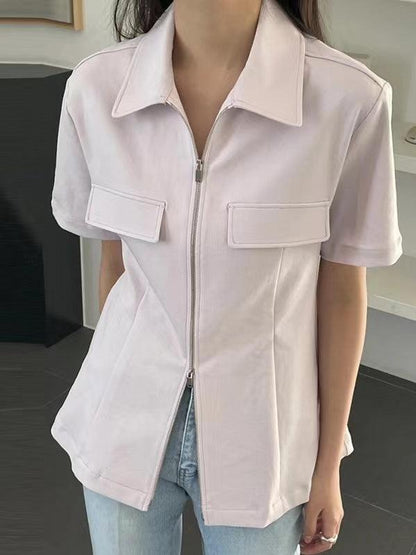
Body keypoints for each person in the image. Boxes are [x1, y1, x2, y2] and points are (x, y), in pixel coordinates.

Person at [50, 0, 403, 553]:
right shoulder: (96, 90)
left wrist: (327, 465)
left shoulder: (349, 99)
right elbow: (116, 267)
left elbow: (341, 292)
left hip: (264, 444)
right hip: (120, 425)